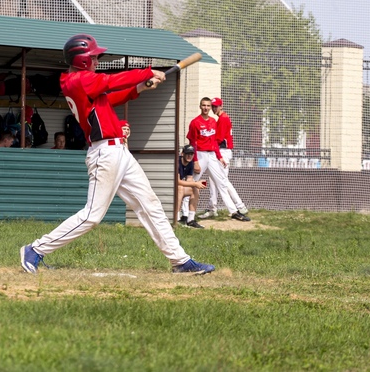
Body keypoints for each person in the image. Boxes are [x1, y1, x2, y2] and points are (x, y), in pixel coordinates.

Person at [20, 34, 215, 275]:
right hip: (104, 153)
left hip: (119, 151)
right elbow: (111, 82)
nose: (96, 60)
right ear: (81, 60)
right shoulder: (77, 80)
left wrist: (140, 87)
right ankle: (35, 249)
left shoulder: (81, 81)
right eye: (93, 57)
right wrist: (147, 72)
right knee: (92, 216)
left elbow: (110, 97)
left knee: (150, 204)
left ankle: (180, 261)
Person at [187, 97, 251, 222]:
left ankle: (234, 210)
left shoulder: (216, 120)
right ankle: (185, 214)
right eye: (205, 105)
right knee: (193, 182)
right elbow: (193, 142)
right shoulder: (196, 122)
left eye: (210, 106)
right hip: (201, 154)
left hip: (216, 154)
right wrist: (195, 160)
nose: (208, 108)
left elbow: (216, 141)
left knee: (222, 182)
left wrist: (219, 156)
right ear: (200, 106)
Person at [177, 144, 207, 228]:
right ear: (182, 154)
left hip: (179, 186)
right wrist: (195, 183)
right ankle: (176, 219)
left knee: (195, 189)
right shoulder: (177, 162)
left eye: (191, 154)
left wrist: (197, 184)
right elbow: (177, 181)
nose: (189, 156)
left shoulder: (190, 163)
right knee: (180, 188)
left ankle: (190, 219)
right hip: (170, 187)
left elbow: (189, 179)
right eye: (187, 153)